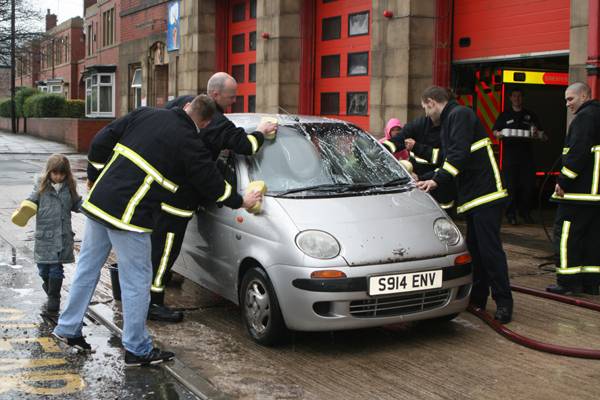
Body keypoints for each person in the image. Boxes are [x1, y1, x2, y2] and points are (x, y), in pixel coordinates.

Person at [52, 95, 262, 367]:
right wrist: (241, 201)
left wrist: (101, 175)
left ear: (186, 107)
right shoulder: (190, 140)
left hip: (100, 201)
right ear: (206, 121)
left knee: (87, 269)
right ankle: (137, 348)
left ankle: (67, 329)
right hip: (129, 214)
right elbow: (210, 181)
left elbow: (101, 141)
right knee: (137, 280)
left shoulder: (145, 113)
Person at [148, 72, 277, 322]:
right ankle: (153, 304)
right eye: (231, 98)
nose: (233, 103)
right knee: (164, 253)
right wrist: (261, 131)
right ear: (216, 95)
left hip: (159, 191)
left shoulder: (184, 103)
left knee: (156, 250)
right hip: (177, 202)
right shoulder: (217, 122)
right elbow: (247, 146)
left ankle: (150, 291)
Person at [415, 86, 513, 323]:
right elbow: (448, 158)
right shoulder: (452, 119)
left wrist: (435, 181)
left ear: (431, 102)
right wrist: (427, 175)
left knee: (490, 252)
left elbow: (457, 156)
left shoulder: (459, 115)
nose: (427, 116)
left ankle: (504, 303)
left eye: (425, 109)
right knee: (476, 251)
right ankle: (478, 298)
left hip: (486, 194)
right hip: (473, 196)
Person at [546, 82, 600, 295]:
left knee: (566, 236)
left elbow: (578, 153)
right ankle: (591, 283)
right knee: (593, 239)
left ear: (585, 96)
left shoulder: (584, 119)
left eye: (571, 99)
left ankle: (567, 282)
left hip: (578, 193)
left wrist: (563, 181)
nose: (567, 104)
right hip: (595, 196)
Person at [13, 154, 81, 313]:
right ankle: (49, 286)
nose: (58, 177)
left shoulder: (69, 187)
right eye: (55, 173)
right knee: (43, 269)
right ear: (49, 172)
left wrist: (88, 209)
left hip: (62, 237)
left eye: (62, 174)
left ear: (67, 173)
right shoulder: (41, 187)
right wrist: (23, 209)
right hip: (44, 236)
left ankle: (54, 296)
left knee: (56, 268)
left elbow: (77, 203)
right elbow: (31, 201)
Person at [492, 89, 543, 225]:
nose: (517, 98)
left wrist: (537, 133)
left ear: (522, 98)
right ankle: (511, 215)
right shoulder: (505, 115)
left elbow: (541, 133)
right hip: (510, 158)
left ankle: (525, 214)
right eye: (514, 96)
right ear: (510, 98)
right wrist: (498, 134)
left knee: (528, 187)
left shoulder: (530, 115)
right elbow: (495, 131)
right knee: (510, 187)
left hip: (527, 157)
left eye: (519, 96)